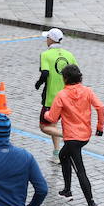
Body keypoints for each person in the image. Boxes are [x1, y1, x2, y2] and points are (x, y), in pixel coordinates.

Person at [45, 64, 104, 206]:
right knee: (63, 155)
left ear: (65, 78)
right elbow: (100, 107)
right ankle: (67, 190)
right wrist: (100, 127)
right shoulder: (87, 91)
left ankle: (92, 205)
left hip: (72, 138)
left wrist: (45, 112)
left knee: (80, 171)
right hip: (84, 135)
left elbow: (52, 118)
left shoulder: (62, 95)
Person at [37, 29, 76, 160]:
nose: (46, 40)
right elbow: (76, 73)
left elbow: (45, 73)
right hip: (68, 96)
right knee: (54, 124)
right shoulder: (69, 55)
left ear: (51, 39)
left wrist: (38, 83)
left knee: (44, 126)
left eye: (47, 37)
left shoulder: (45, 55)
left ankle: (67, 136)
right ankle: (56, 153)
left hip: (51, 97)